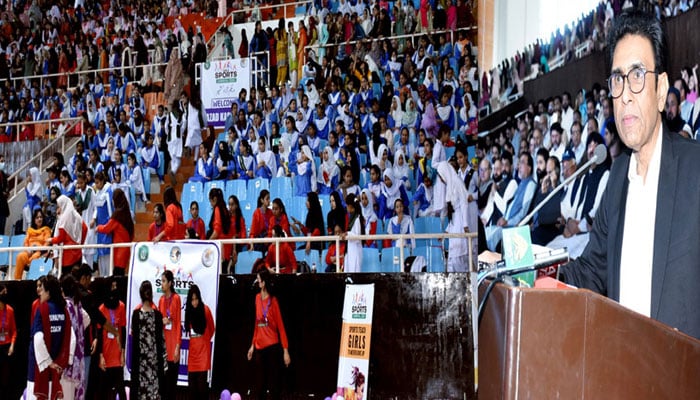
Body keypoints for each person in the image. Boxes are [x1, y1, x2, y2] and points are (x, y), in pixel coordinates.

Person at [560, 10, 700, 340]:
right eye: (617, 79)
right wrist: (524, 273)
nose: (624, 94)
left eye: (637, 75)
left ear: (661, 88)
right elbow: (592, 271)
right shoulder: (618, 175)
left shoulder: (695, 169)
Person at [28, 275, 73, 400]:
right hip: (56, 367)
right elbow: (71, 337)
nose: (40, 292)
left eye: (42, 289)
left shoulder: (42, 308)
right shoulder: (64, 311)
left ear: (48, 291)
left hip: (38, 367)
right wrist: (61, 362)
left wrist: (48, 362)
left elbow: (37, 338)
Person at [248, 269, 291, 400]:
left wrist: (285, 351)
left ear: (264, 282)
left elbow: (281, 327)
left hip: (272, 347)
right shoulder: (256, 298)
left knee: (273, 386)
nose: (257, 282)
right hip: (259, 348)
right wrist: (252, 346)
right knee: (259, 385)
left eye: (259, 279)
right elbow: (256, 324)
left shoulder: (273, 301)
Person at [130, 280, 167, 399]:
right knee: (153, 394)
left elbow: (134, 341)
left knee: (142, 394)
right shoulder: (157, 315)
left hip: (141, 364)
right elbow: (162, 341)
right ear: (151, 294)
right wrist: (164, 364)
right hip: (154, 364)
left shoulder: (136, 315)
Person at [437, 162, 473, 272]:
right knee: (452, 264)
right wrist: (446, 231)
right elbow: (453, 214)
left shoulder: (457, 182)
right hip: (454, 225)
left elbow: (463, 204)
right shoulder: (450, 186)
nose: (441, 180)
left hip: (461, 225)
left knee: (460, 263)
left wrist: (465, 224)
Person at [60, 275, 90, 400]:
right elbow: (87, 319)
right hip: (78, 358)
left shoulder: (64, 306)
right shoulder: (77, 305)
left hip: (67, 360)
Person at [185, 284, 216, 399]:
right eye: (192, 300)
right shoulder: (188, 312)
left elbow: (212, 328)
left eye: (196, 299)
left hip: (203, 355)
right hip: (192, 355)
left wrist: (204, 340)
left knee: (202, 389)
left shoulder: (205, 310)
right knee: (192, 389)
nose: (194, 302)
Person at [98, 279, 126, 400]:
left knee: (121, 391)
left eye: (116, 286)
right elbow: (99, 334)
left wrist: (123, 353)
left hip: (117, 355)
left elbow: (123, 331)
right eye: (112, 286)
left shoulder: (121, 306)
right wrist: (101, 356)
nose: (115, 288)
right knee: (103, 392)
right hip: (106, 354)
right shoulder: (101, 309)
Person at [96, 189, 134, 276]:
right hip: (126, 249)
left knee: (117, 275)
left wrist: (98, 227)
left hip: (119, 251)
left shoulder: (117, 214)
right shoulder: (127, 213)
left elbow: (107, 228)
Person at [48, 195, 87, 276]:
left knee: (67, 282)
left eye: (59, 207)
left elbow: (59, 238)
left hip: (66, 257)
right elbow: (85, 228)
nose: (57, 209)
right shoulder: (76, 216)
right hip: (78, 254)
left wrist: (51, 240)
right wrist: (80, 244)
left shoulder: (63, 219)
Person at [158, 270, 182, 400]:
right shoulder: (161, 300)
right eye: (161, 281)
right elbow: (158, 321)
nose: (162, 284)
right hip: (163, 346)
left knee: (172, 383)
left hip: (173, 346)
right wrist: (162, 321)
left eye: (163, 281)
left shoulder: (177, 298)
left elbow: (178, 323)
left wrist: (178, 346)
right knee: (163, 383)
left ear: (170, 283)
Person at [15, 209, 52, 280]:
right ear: (34, 220)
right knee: (20, 256)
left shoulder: (46, 230)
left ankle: (31, 277)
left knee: (35, 256)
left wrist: (37, 248)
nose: (39, 219)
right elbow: (26, 242)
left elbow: (46, 243)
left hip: (40, 252)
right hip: (29, 251)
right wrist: (28, 249)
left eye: (41, 217)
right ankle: (17, 280)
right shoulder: (30, 230)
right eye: (37, 217)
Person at [207, 188, 232, 269]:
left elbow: (217, 231)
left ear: (214, 199)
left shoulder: (217, 209)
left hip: (220, 249)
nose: (210, 204)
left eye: (210, 201)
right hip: (227, 248)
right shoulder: (225, 209)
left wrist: (208, 242)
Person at [0, 284, 17, 395]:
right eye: (3, 292)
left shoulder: (10, 310)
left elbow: (14, 331)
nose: (5, 294)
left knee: (5, 378)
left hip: (6, 348)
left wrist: (12, 345)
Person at [343, 194, 364, 273]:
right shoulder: (351, 217)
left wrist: (347, 234)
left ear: (351, 206)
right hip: (350, 249)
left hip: (355, 250)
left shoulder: (357, 218)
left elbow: (357, 236)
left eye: (347, 205)